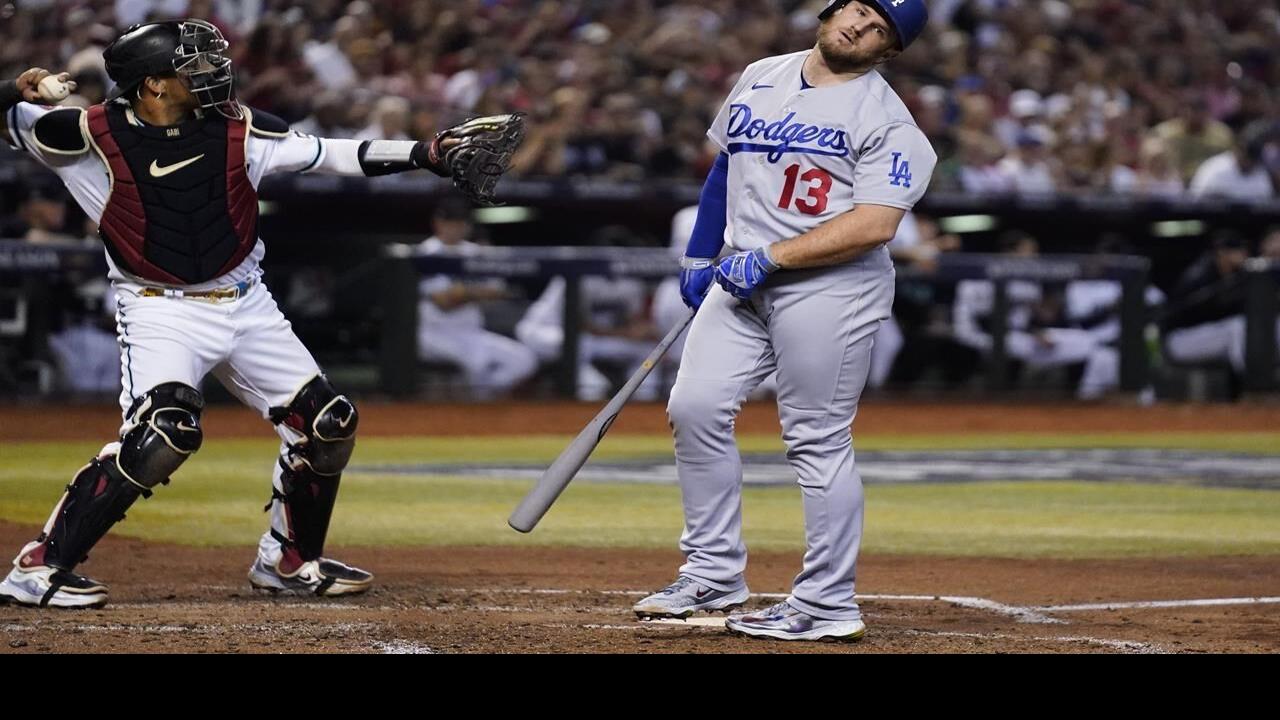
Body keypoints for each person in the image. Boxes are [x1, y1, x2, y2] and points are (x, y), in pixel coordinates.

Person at [0, 19, 502, 608]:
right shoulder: (80, 133)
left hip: (246, 299)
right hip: (159, 307)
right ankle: (39, 566)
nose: (215, 74)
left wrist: (426, 152)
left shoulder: (237, 130)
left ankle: (289, 561)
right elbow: (14, 119)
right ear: (154, 86)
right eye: (195, 67)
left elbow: (332, 155)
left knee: (328, 424)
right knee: (163, 434)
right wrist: (16, 89)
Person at [631, 0, 936, 642]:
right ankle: (713, 574)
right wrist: (699, 252)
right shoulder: (762, 73)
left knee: (817, 438)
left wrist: (771, 256)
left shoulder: (888, 119)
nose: (860, 26)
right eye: (857, 10)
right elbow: (725, 165)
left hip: (830, 287)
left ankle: (827, 603)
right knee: (694, 407)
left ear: (887, 50)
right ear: (831, 10)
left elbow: (876, 223)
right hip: (741, 276)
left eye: (879, 27)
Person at [415, 198, 537, 399]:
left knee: (524, 359)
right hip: (433, 334)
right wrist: (476, 293)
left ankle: (480, 402)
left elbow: (499, 291)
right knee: (478, 362)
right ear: (437, 223)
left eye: (459, 222)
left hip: (470, 332)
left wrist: (463, 293)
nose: (454, 227)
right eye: (450, 222)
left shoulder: (474, 252)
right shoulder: (427, 252)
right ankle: (474, 413)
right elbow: (444, 302)